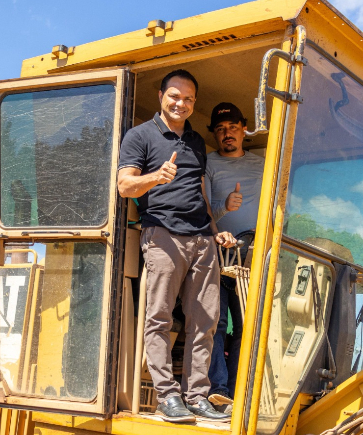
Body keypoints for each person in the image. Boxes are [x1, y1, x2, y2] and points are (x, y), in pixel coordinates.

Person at [117, 70, 236, 423]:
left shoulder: (197, 142)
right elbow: (125, 186)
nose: (181, 103)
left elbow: (200, 191)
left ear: (193, 103)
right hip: (163, 235)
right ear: (161, 96)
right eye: (175, 96)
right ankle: (167, 397)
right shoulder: (139, 136)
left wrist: (214, 231)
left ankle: (197, 396)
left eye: (188, 99)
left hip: (201, 238)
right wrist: (156, 177)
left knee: (206, 321)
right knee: (159, 317)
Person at [204, 102, 264, 412]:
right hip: (219, 252)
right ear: (214, 134)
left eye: (232, 127)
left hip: (254, 254)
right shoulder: (208, 163)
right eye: (220, 129)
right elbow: (202, 212)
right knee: (214, 321)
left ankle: (240, 391)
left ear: (244, 128)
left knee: (247, 325)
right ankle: (219, 389)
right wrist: (226, 207)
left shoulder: (263, 164)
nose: (227, 133)